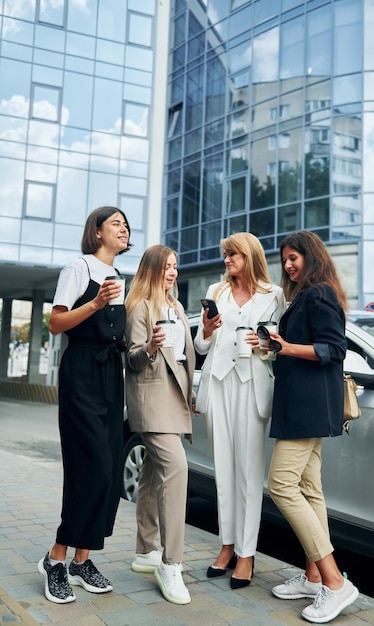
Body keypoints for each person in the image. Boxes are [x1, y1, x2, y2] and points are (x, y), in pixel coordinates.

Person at [38, 206, 131, 604]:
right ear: (96, 232)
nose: (124, 229)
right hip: (81, 374)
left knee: (109, 470)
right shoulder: (78, 268)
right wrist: (95, 304)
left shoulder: (120, 279)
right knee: (87, 466)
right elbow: (55, 323)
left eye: (126, 225)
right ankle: (56, 559)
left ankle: (82, 560)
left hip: (111, 376)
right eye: (116, 223)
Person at [267, 230, 359, 623]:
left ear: (311, 256)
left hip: (307, 409)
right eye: (285, 259)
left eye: (294, 257)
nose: (288, 264)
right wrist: (275, 346)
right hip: (302, 406)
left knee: (280, 485)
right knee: (308, 489)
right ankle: (312, 576)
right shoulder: (306, 294)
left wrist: (285, 346)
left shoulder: (319, 293)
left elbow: (334, 349)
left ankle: (335, 582)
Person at [194, 232, 285, 589]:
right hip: (219, 383)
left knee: (249, 473)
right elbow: (204, 344)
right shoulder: (217, 292)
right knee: (224, 472)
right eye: (225, 255)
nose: (227, 260)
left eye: (232, 255)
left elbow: (278, 345)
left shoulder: (273, 295)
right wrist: (205, 329)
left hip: (252, 384)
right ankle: (226, 545)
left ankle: (247, 553)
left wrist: (262, 343)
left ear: (249, 256)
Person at [124, 245, 196, 605]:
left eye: (175, 266)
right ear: (153, 268)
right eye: (167, 266)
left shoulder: (177, 307)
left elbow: (182, 358)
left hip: (175, 398)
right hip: (151, 401)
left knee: (153, 472)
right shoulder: (140, 307)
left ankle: (144, 549)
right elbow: (133, 358)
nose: (173, 272)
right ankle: (172, 562)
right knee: (176, 468)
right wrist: (149, 347)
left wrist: (190, 397)